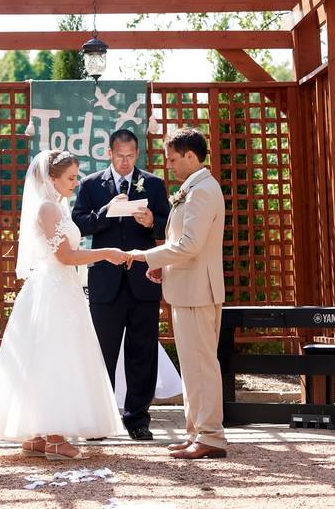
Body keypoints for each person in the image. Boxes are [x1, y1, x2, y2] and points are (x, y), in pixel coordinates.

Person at [0, 149, 129, 460]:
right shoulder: (47, 208)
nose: (77, 182)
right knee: (54, 357)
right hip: (52, 289)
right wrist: (107, 252)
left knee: (47, 357)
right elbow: (66, 256)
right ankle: (55, 437)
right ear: (51, 178)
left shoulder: (58, 206)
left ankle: (38, 435)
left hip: (62, 286)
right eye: (71, 177)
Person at [128, 127, 228, 460]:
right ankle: (196, 432)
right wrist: (164, 267)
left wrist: (147, 256)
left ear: (190, 156)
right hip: (186, 288)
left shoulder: (202, 191)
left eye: (172, 159)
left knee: (202, 365)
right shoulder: (194, 188)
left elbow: (190, 245)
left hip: (199, 290)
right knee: (192, 367)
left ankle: (211, 435)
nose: (168, 165)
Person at [72, 129, 171, 441]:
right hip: (105, 282)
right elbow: (79, 223)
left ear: (137, 153)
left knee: (142, 352)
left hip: (143, 281)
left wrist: (150, 222)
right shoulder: (91, 185)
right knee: (103, 353)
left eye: (131, 156)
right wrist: (106, 211)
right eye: (120, 156)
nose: (126, 162)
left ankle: (138, 420)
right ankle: (98, 419)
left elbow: (168, 225)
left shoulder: (153, 184)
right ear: (110, 154)